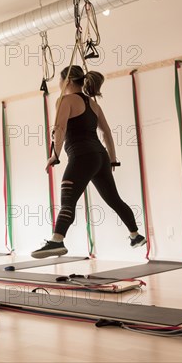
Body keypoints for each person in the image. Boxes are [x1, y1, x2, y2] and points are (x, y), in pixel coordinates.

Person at [31, 66, 147, 258]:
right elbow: (106, 132)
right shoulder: (94, 104)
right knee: (114, 199)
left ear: (66, 81)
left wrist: (55, 154)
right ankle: (135, 235)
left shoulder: (65, 100)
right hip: (100, 157)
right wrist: (112, 159)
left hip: (82, 156)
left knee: (68, 201)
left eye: (60, 81)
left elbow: (59, 128)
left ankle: (57, 241)